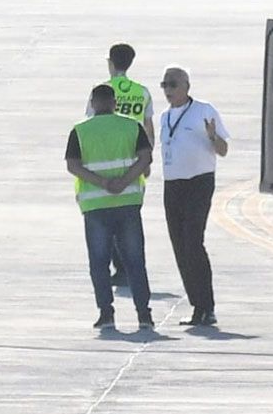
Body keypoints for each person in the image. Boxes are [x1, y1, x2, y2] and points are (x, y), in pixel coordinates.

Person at [66, 84, 154, 330]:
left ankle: (106, 313)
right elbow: (145, 158)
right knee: (135, 261)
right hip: (127, 202)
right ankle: (144, 315)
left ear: (93, 104)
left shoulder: (80, 131)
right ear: (115, 103)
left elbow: (73, 165)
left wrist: (102, 183)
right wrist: (124, 182)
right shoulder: (131, 126)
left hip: (95, 206)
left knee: (99, 261)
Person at [158, 66, 229, 326]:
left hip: (198, 183)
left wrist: (212, 136)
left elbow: (223, 150)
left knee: (193, 242)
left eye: (173, 84)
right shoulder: (165, 117)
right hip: (172, 184)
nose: (168, 90)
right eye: (164, 85)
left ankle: (206, 306)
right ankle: (196, 306)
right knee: (179, 245)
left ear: (187, 86)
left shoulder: (203, 110)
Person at [85, 43, 156, 286]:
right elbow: (148, 127)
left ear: (111, 63)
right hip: (135, 160)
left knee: (107, 215)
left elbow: (91, 124)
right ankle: (129, 266)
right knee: (130, 215)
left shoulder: (102, 91)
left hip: (105, 159)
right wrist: (148, 158)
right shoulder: (142, 92)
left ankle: (120, 267)